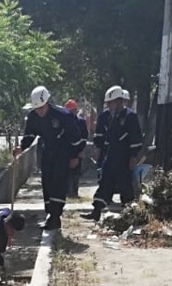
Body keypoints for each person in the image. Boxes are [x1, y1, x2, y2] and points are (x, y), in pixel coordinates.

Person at [14, 86, 84, 231]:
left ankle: (55, 216)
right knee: (47, 183)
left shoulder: (63, 116)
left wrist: (74, 155)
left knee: (58, 183)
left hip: (62, 152)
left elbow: (75, 138)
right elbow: (29, 135)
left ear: (47, 103)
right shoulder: (33, 117)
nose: (39, 112)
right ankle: (50, 214)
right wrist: (21, 148)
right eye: (37, 109)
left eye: (41, 108)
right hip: (46, 152)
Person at [86, 85, 144, 221]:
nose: (109, 105)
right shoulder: (107, 117)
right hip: (110, 156)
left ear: (119, 101)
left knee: (125, 186)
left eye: (111, 103)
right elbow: (101, 135)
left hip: (124, 157)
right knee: (104, 183)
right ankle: (96, 211)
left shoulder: (130, 117)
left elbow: (135, 138)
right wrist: (98, 149)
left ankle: (129, 214)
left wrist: (133, 157)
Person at [64, 99, 89, 198]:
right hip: (66, 152)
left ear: (76, 110)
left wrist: (80, 150)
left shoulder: (80, 122)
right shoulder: (63, 122)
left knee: (76, 173)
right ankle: (66, 191)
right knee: (65, 172)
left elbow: (84, 137)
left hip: (77, 151)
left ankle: (74, 191)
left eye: (72, 111)